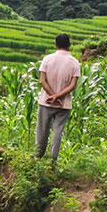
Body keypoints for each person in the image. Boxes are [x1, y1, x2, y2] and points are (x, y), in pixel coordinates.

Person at [36, 33, 81, 163]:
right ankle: (52, 161)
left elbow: (42, 81)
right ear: (69, 45)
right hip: (64, 104)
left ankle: (37, 157)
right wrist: (58, 97)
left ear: (55, 45)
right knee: (57, 132)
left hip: (46, 101)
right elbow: (73, 85)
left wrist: (52, 96)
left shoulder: (47, 59)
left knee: (42, 131)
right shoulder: (74, 62)